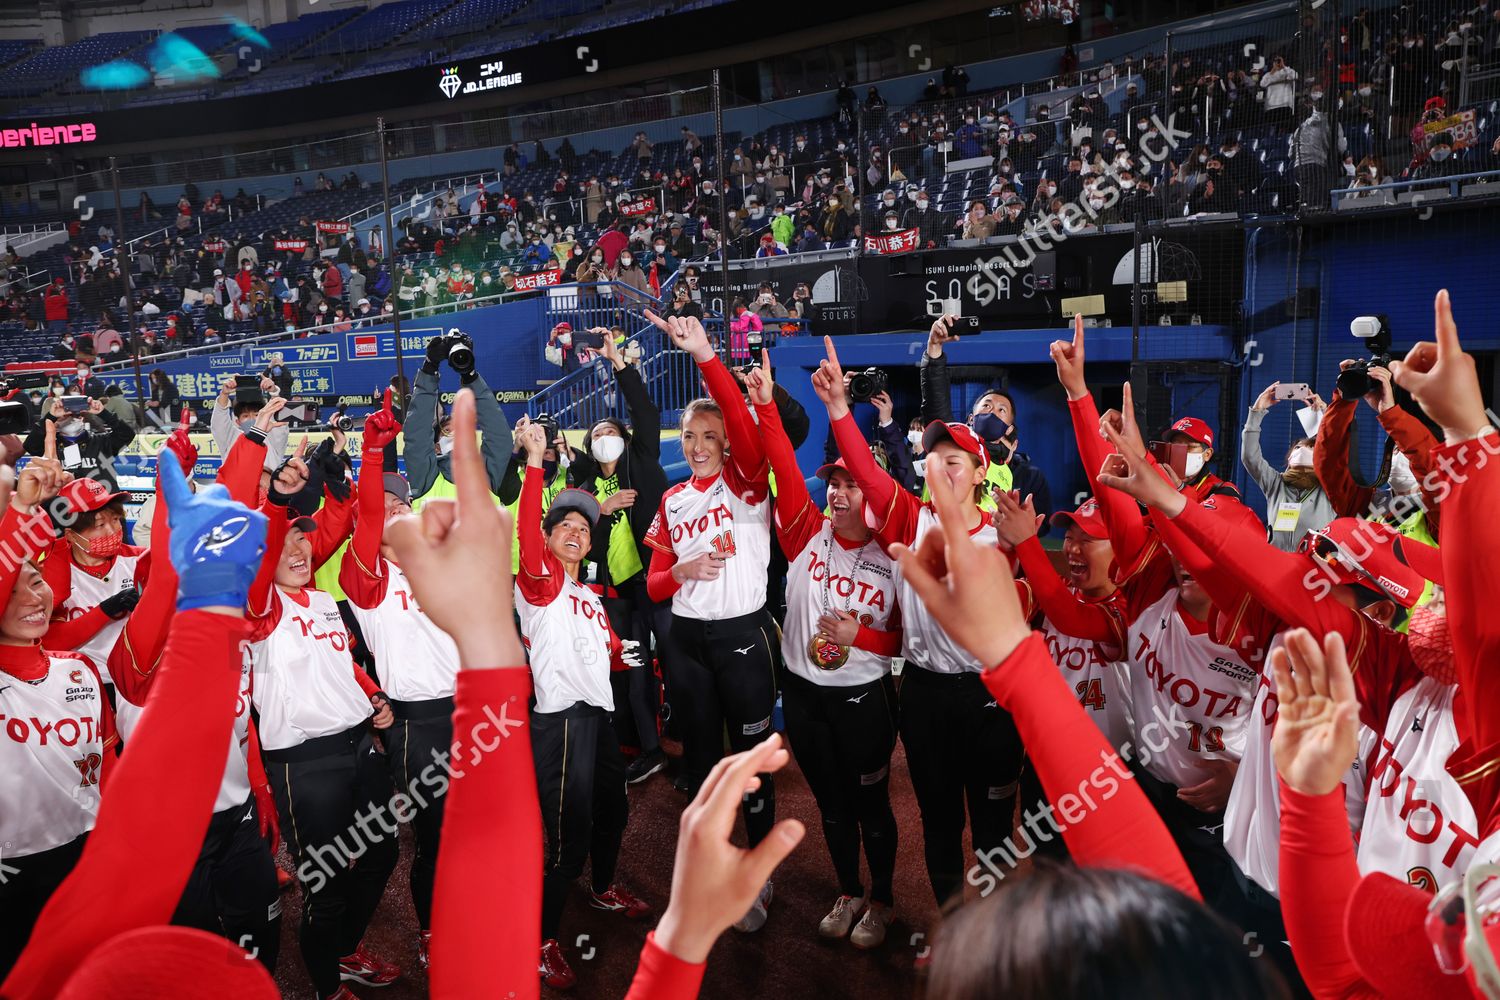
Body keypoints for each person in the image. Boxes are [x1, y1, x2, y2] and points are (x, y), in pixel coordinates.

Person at [815, 335, 1026, 915]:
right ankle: (955, 928)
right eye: (933, 460)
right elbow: (866, 470)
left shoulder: (1010, 530)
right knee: (938, 822)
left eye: (952, 460)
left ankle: (994, 932)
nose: (939, 468)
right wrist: (840, 408)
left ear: (980, 471)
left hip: (990, 697)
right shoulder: (910, 518)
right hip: (927, 694)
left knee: (992, 829)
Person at [744, 351, 902, 948]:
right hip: (805, 696)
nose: (838, 494)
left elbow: (903, 643)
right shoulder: (805, 533)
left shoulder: (894, 558)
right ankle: (846, 888)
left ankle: (882, 898)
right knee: (831, 803)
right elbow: (784, 466)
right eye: (833, 484)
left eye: (851, 486)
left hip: (863, 695)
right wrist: (765, 407)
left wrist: (858, 637)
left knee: (871, 802)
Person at [642, 309, 782, 933]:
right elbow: (652, 582)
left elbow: (750, 437)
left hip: (741, 639)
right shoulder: (672, 499)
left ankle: (758, 871)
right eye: (689, 437)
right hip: (687, 640)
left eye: (708, 436)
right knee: (700, 762)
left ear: (726, 442)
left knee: (749, 759)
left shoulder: (748, 482)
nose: (697, 447)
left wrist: (703, 354)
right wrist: (682, 571)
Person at [246, 442, 401, 1000]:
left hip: (361, 748)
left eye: (303, 539)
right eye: (287, 540)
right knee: (326, 885)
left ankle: (343, 950)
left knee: (382, 853)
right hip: (306, 767)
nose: (299, 547)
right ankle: (327, 990)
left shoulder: (318, 601)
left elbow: (343, 666)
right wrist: (276, 504)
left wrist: (372, 695)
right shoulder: (261, 608)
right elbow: (267, 552)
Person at [513, 419, 651, 988]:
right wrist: (536, 463)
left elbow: (603, 650)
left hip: (597, 719)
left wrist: (621, 655)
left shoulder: (587, 595)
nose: (574, 531)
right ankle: (541, 941)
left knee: (612, 812)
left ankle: (601, 890)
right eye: (563, 525)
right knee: (566, 842)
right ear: (547, 540)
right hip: (562, 725)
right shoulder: (539, 581)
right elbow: (526, 525)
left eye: (583, 527)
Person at [337, 390, 458, 969]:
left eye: (397, 505)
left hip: (472, 713)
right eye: (378, 507)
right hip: (419, 725)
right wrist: (373, 454)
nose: (388, 511)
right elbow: (363, 518)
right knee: (433, 839)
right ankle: (433, 933)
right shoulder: (366, 577)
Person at [0, 455, 120, 979]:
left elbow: (108, 761)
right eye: (16, 585)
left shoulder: (78, 672)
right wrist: (23, 510)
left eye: (40, 582)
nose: (36, 594)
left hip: (86, 852)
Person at [571, 335, 672, 784]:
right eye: (597, 436)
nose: (604, 439)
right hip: (617, 595)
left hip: (658, 582)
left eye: (611, 432)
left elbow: (645, 413)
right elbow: (576, 539)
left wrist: (620, 366)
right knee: (631, 672)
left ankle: (692, 743)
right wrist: (602, 511)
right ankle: (648, 749)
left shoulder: (642, 460)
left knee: (675, 660)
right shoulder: (589, 488)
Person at [403, 329, 512, 506]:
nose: (456, 434)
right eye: (447, 431)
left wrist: (470, 377)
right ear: (436, 447)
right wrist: (429, 369)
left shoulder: (485, 474)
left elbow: (499, 435)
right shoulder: (426, 477)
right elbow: (417, 434)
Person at [1242, 381, 1337, 551]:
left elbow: (1338, 453)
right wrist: (1257, 411)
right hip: (1276, 566)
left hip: (1313, 570)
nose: (1302, 449)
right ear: (1290, 458)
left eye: (1310, 447)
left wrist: (1326, 414)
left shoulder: (1330, 488)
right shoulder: (1275, 483)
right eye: (1298, 447)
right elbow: (1250, 457)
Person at [24, 395, 135, 491]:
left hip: (103, 507)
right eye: (65, 416)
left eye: (77, 415)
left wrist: (103, 413)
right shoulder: (50, 447)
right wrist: (51, 417)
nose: (72, 418)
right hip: (65, 509)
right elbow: (30, 446)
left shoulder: (101, 442)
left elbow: (127, 434)